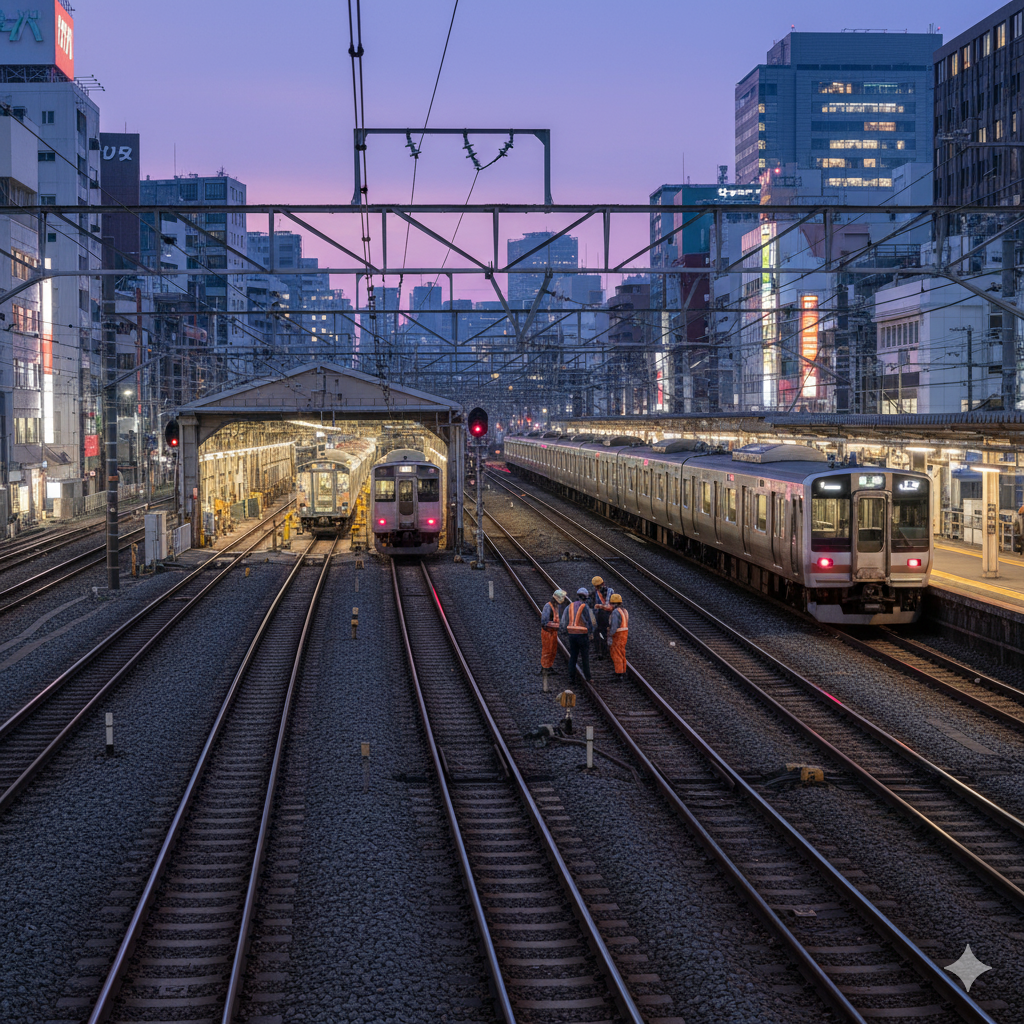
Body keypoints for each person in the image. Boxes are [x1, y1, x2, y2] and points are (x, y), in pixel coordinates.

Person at [561, 586, 597, 685]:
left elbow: (564, 620)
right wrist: (591, 633)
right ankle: (588, 677)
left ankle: (571, 678)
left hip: (572, 635)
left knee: (573, 656)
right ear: (585, 598)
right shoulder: (584, 607)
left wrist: (564, 630)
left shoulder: (570, 606)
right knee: (585, 657)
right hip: (582, 635)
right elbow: (589, 621)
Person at [540, 589, 567, 678]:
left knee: (553, 651)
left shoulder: (556, 607)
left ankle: (549, 666)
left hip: (553, 632)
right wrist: (556, 625)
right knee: (547, 650)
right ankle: (544, 668)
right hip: (547, 632)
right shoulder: (548, 606)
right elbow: (544, 621)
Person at [588, 575, 614, 660]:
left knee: (597, 633)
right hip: (608, 615)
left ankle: (598, 651)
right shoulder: (611, 591)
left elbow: (590, 605)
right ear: (603, 583)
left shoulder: (593, 593)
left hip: (598, 616)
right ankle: (605, 651)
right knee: (605, 633)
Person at [608, 593, 629, 679]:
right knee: (622, 653)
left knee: (616, 654)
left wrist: (610, 634)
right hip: (624, 634)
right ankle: (623, 671)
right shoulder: (625, 611)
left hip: (618, 635)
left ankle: (619, 674)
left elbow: (614, 625)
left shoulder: (616, 612)